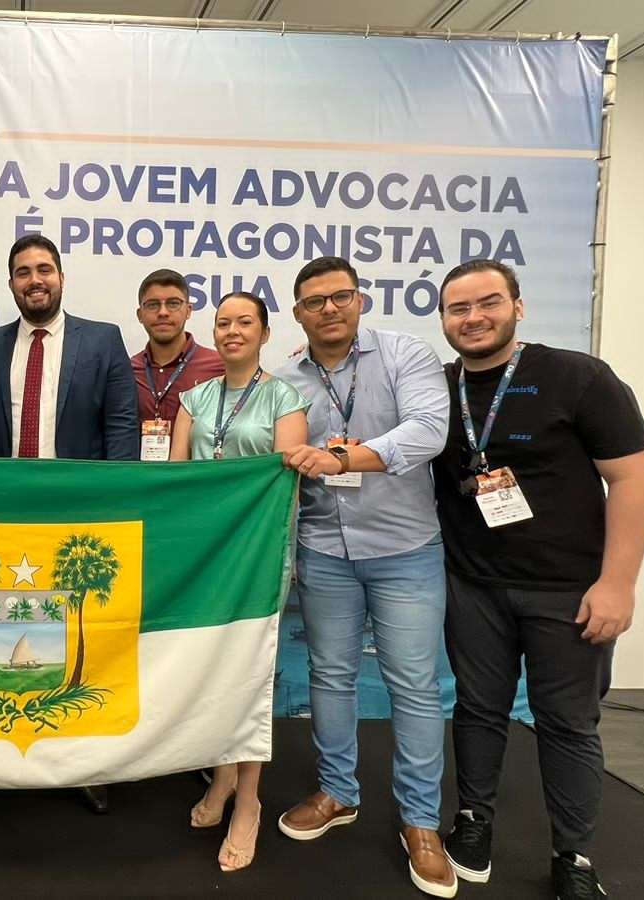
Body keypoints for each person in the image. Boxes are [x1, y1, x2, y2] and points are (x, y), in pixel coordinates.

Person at [431, 260, 644, 900]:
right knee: (477, 708)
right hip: (473, 583)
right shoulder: (437, 388)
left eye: (488, 303)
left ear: (518, 307)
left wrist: (618, 583)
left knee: (567, 723)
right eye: (458, 308)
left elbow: (632, 479)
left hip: (568, 588)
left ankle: (573, 855)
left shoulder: (579, 377)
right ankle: (472, 821)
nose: (474, 318)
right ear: (443, 319)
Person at [272, 256, 457, 898]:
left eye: (340, 296)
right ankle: (337, 792)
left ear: (360, 300)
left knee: (414, 686)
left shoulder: (407, 355)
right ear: (298, 313)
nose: (328, 309)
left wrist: (345, 457)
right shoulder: (285, 379)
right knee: (330, 675)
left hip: (406, 549)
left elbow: (429, 432)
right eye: (314, 301)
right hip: (324, 548)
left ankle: (421, 822)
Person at [0, 233, 139, 814]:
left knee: (82, 637)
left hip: (79, 519)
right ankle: (7, 748)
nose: (35, 280)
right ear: (11, 283)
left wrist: (109, 510)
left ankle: (84, 761)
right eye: (23, 272)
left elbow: (122, 429)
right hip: (5, 519)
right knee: (7, 633)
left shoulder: (102, 340)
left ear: (60, 276)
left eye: (44, 269)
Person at [170, 292, 309, 873]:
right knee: (214, 667)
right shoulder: (194, 399)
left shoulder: (285, 398)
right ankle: (223, 776)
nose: (232, 331)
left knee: (250, 673)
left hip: (257, 557)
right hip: (205, 557)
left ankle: (249, 800)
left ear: (264, 333)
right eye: (223, 322)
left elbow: (283, 481)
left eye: (244, 322)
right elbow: (176, 480)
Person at [131, 268, 224, 461]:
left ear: (188, 310)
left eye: (173, 303)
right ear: (140, 314)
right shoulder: (127, 370)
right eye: (153, 305)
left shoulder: (219, 366)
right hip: (140, 476)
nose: (163, 312)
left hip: (197, 476)